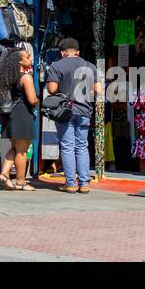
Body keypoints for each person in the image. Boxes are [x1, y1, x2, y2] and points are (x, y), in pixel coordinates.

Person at [46, 37, 102, 193]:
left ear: (63, 53)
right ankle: (84, 184)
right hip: (84, 111)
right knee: (82, 146)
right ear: (77, 52)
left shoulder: (56, 65)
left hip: (65, 111)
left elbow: (51, 89)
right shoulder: (90, 66)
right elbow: (98, 90)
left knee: (67, 147)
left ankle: (70, 183)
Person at [0, 46, 37, 190]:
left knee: (15, 147)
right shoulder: (26, 77)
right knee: (22, 150)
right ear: (20, 61)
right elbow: (32, 100)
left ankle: (4, 175)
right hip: (23, 114)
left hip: (10, 114)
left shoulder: (7, 78)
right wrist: (37, 101)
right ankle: (21, 182)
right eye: (27, 57)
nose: (30, 59)